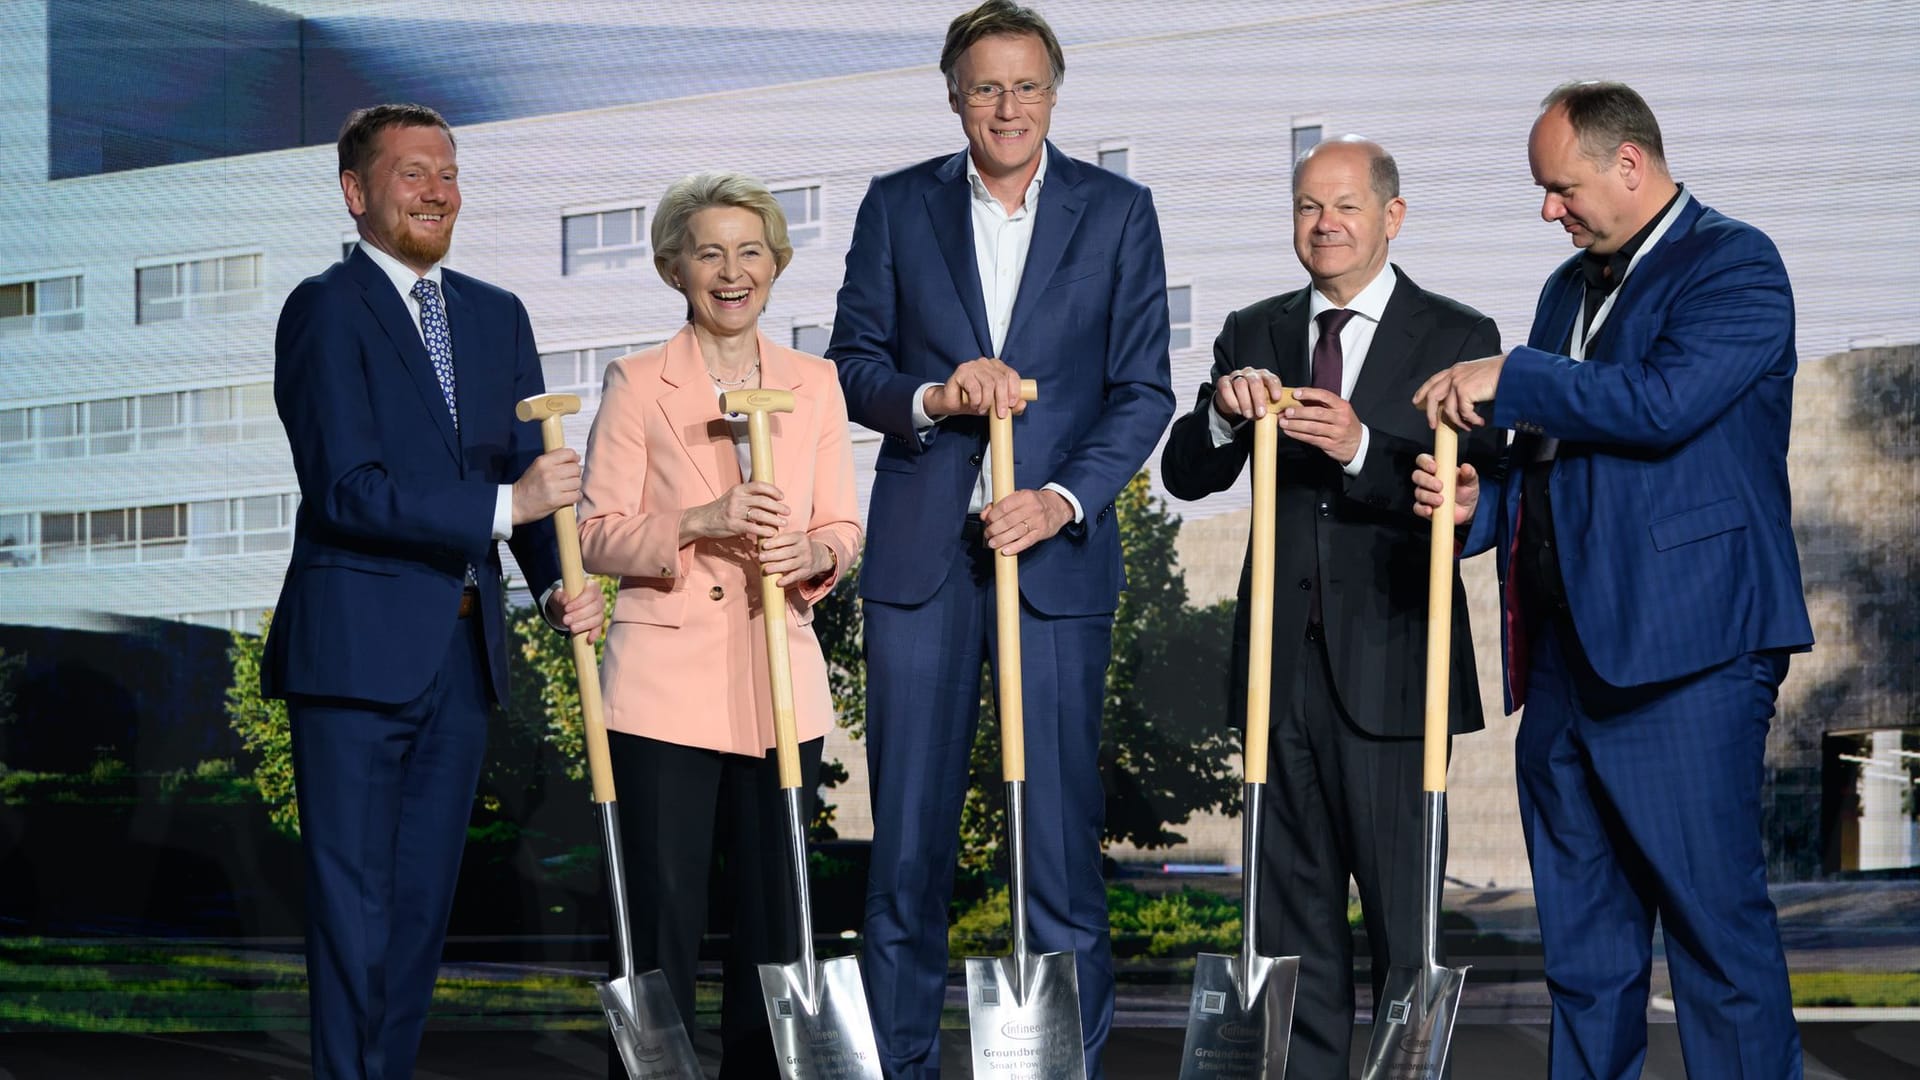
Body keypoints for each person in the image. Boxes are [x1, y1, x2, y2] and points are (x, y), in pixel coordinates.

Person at [1413, 81, 1813, 1078]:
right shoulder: (1565, 289)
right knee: (1586, 961)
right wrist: (1483, 508)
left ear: (1628, 163)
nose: (1549, 210)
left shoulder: (1737, 264)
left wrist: (1512, 372)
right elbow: (1556, 455)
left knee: (1716, 947)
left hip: (1690, 656)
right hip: (1561, 665)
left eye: (1561, 187)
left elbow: (1663, 404)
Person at [826, 2, 1174, 1073]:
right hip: (922, 566)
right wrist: (934, 395)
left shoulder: (1118, 211)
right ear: (953, 96)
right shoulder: (897, 206)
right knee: (908, 853)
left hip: (1055, 564)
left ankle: (1062, 1062)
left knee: (1058, 847)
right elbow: (853, 361)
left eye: (1026, 86)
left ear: (1055, 94)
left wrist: (1062, 499)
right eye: (986, 87)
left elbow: (1142, 390)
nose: (1007, 106)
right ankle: (899, 1061)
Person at [263, 103, 604, 1079]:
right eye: (411, 173)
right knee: (353, 908)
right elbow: (346, 489)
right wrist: (507, 506)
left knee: (417, 916)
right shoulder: (324, 307)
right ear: (356, 192)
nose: (436, 190)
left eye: (448, 172)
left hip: (461, 657)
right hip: (356, 653)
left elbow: (531, 490)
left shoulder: (498, 315)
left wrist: (551, 591)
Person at [1159, 136, 1499, 1075]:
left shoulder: (1460, 337)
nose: (1326, 224)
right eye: (1309, 206)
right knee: (1288, 933)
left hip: (1398, 666)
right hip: (1278, 674)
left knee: (1404, 931)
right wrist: (1223, 416)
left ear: (1392, 216)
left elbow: (1476, 488)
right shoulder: (1254, 329)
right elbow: (1186, 475)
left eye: (1347, 206)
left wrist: (1359, 449)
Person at [577, 171, 863, 1077]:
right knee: (659, 919)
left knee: (778, 926)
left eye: (751, 251)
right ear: (675, 269)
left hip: (780, 686)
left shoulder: (814, 383)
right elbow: (594, 534)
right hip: (661, 694)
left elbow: (843, 528)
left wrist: (813, 556)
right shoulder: (636, 381)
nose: (732, 271)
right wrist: (699, 523)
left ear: (775, 265)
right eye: (710, 253)